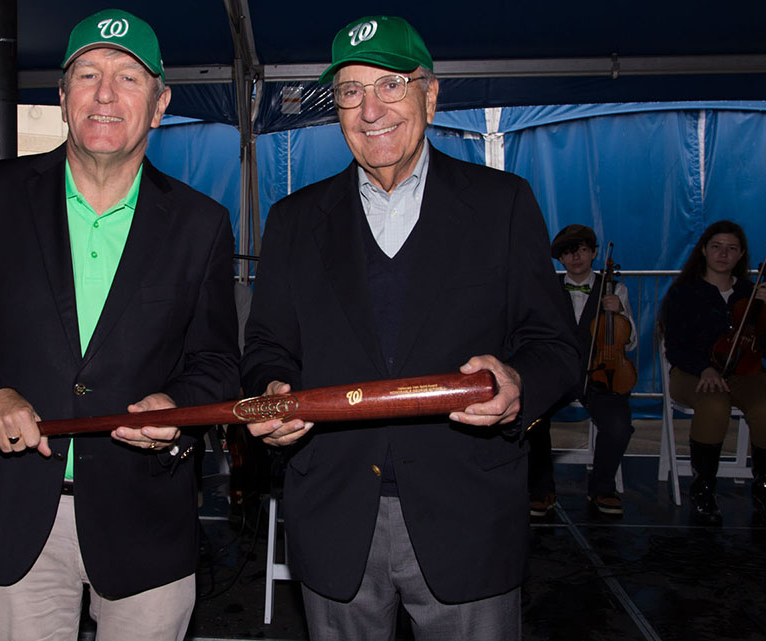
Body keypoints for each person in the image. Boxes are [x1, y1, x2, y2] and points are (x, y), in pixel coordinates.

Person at [240, 15, 579, 641]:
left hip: (467, 515)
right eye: (350, 92)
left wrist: (516, 384)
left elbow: (555, 344)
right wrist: (274, 388)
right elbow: (266, 345)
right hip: (334, 515)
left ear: (430, 92)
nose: (370, 110)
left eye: (391, 85)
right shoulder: (293, 220)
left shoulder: (502, 204)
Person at [0, 9, 240, 641]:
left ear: (159, 102)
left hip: (145, 518)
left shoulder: (201, 224)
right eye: (87, 74)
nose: (105, 93)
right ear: (62, 97)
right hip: (13, 519)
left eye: (128, 77)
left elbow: (218, 362)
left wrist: (177, 405)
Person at [526, 225, 637, 518]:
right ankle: (541, 490)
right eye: (567, 252)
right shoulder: (548, 289)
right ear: (560, 260)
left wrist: (620, 312)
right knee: (533, 418)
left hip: (602, 373)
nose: (575, 257)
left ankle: (602, 487)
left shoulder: (615, 288)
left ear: (594, 253)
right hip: (560, 374)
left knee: (619, 425)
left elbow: (632, 340)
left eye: (582, 250)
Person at [660, 220, 766, 525]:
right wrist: (704, 368)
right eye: (717, 246)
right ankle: (704, 489)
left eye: (732, 248)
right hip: (692, 372)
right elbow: (676, 347)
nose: (724, 253)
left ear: (741, 254)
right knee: (714, 403)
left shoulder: (751, 292)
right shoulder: (685, 293)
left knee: (765, 407)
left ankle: (762, 487)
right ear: (704, 249)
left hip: (744, 372)